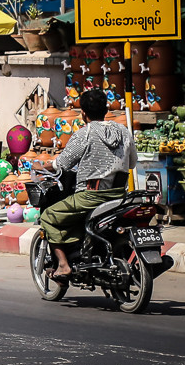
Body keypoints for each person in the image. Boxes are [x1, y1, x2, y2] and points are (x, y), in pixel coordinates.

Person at [35, 88, 134, 279]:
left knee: (48, 216)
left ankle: (63, 266)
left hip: (90, 196)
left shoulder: (84, 134)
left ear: (83, 114)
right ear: (106, 110)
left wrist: (42, 166)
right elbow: (132, 162)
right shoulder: (123, 131)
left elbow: (61, 164)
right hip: (119, 196)